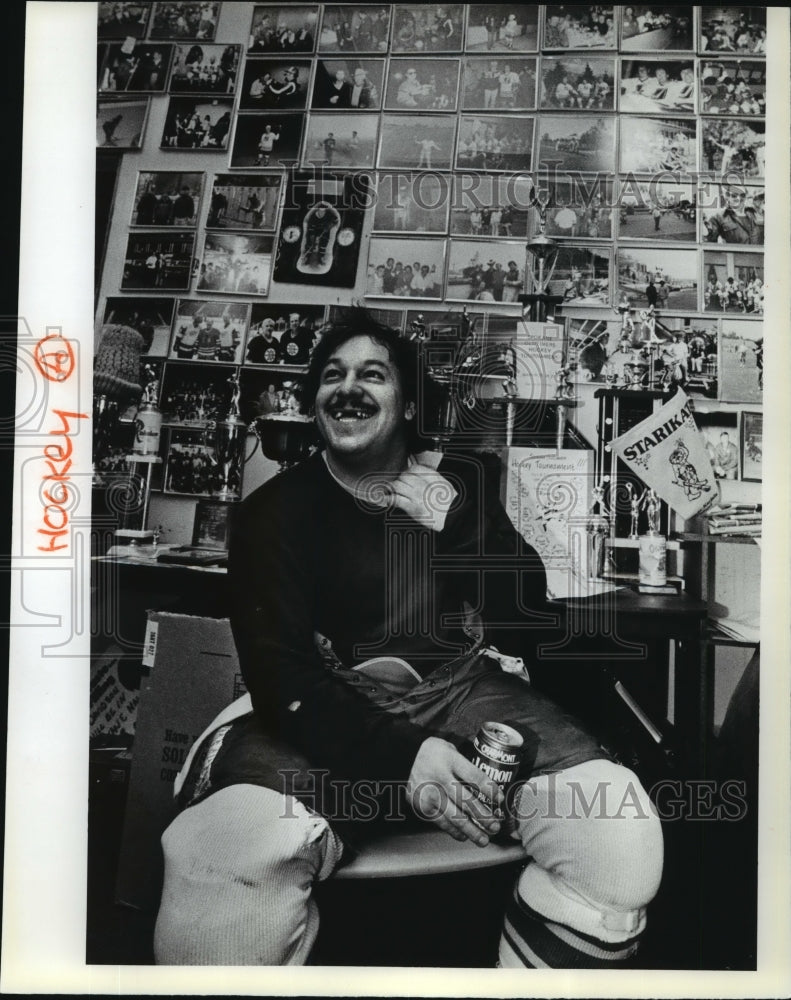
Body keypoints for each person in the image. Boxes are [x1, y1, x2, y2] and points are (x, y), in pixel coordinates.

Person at [155, 311, 663, 968]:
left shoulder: (464, 478)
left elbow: (528, 622)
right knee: (226, 854)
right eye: (332, 376)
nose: (348, 388)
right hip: (322, 704)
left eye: (372, 374)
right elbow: (280, 675)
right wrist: (402, 757)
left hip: (463, 692)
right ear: (314, 403)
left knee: (618, 834)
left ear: (407, 402)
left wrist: (455, 524)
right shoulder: (271, 515)